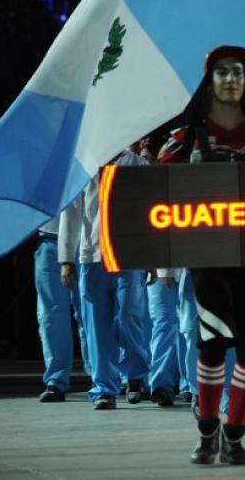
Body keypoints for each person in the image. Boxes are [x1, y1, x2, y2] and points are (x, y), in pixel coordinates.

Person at [158, 45, 245, 465]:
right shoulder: (185, 135)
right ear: (209, 80)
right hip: (208, 255)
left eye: (239, 73)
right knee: (212, 346)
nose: (232, 79)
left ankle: (236, 433)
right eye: (223, 72)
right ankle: (207, 431)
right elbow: (157, 187)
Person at [59, 148, 151, 410]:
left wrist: (152, 257)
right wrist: (66, 258)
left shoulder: (138, 165)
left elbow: (151, 211)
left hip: (127, 255)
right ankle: (104, 388)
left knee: (128, 317)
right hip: (92, 256)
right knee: (96, 325)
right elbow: (71, 212)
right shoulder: (83, 166)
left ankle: (135, 377)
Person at [34, 214, 89, 402]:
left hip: (87, 240)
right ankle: (55, 381)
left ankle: (100, 377)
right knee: (51, 316)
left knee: (90, 314)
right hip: (50, 238)